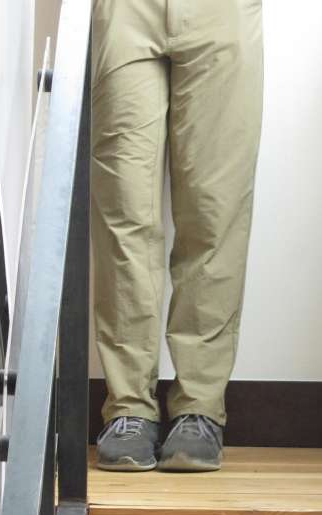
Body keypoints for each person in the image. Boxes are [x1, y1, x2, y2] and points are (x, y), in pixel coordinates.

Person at [90, 0, 263, 472]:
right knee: (124, 210)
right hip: (126, 11)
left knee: (215, 211)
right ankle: (128, 407)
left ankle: (199, 407)